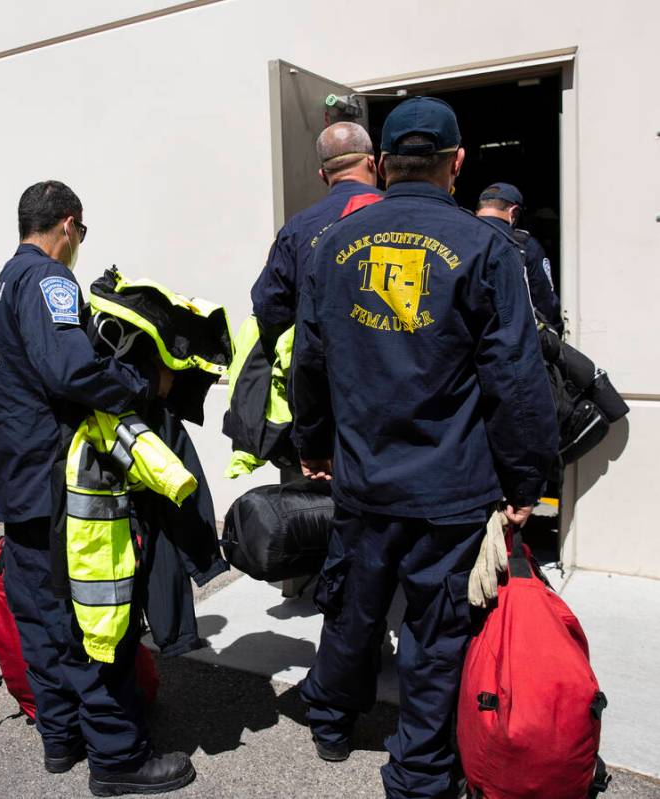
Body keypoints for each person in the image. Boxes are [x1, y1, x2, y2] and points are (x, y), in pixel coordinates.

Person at [291, 99, 558, 797]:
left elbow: (309, 362)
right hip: (449, 485)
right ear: (457, 162)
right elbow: (514, 378)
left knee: (352, 604)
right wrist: (527, 481)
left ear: (381, 164)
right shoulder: (485, 246)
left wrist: (313, 442)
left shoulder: (331, 246)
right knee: (436, 636)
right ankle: (419, 773)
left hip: (363, 477)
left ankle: (328, 718)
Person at [0, 180, 195, 797]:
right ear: (68, 226)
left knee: (42, 616)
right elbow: (71, 369)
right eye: (80, 234)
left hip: (16, 477)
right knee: (92, 620)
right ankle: (118, 758)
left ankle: (62, 737)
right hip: (55, 479)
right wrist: (139, 385)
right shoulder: (50, 280)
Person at [250, 121, 383, 356]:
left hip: (322, 377)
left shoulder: (297, 228)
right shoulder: (405, 215)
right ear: (372, 163)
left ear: (323, 175)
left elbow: (269, 306)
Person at [476, 181, 563, 334]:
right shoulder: (525, 245)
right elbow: (545, 302)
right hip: (511, 342)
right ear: (514, 213)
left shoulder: (458, 238)